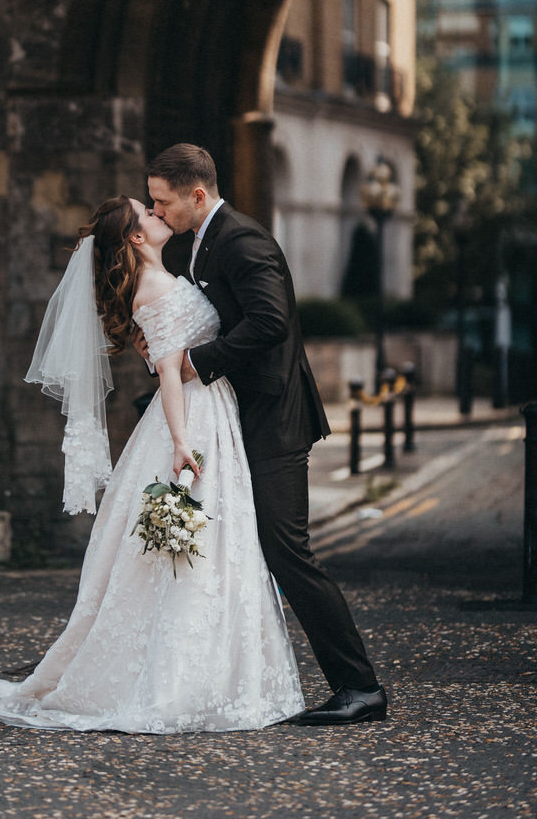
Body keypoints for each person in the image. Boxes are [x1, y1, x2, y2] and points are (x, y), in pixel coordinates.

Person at [0, 195, 304, 733]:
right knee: (198, 547)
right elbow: (171, 375)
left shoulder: (160, 280)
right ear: (135, 238)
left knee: (207, 545)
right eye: (147, 213)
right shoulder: (153, 287)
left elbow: (161, 355)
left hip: (210, 409)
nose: (158, 215)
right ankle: (179, 680)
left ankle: (202, 672)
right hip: (193, 417)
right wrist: (181, 442)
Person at [144, 143, 387, 725]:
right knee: (250, 548)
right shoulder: (204, 242)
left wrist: (197, 363)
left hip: (275, 416)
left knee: (287, 549)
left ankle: (360, 688)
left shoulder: (241, 239)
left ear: (196, 195)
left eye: (163, 201)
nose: (158, 213)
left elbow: (270, 322)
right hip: (243, 415)